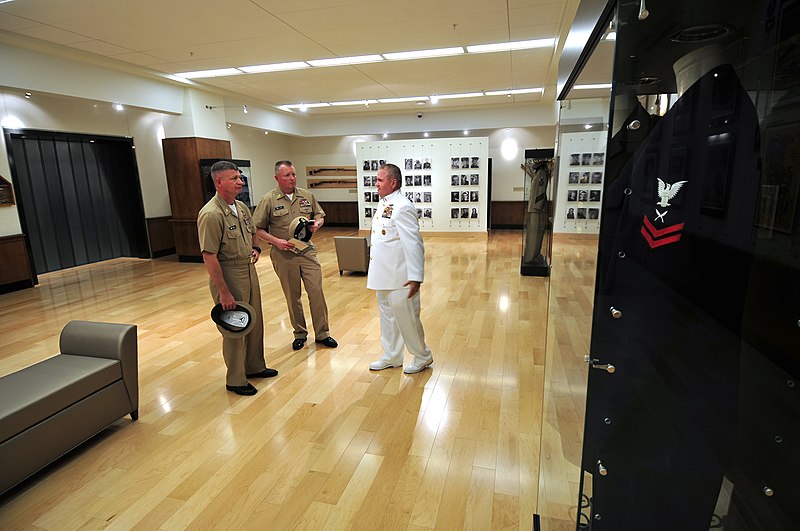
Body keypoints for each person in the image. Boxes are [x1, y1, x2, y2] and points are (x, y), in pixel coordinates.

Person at [197, 161, 277, 396]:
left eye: (240, 177)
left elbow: (253, 231)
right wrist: (224, 292)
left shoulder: (240, 207)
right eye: (234, 178)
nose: (240, 181)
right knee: (234, 326)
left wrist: (256, 248)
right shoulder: (211, 214)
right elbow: (209, 256)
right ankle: (235, 379)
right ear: (219, 182)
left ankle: (254, 366)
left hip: (248, 269)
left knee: (254, 320)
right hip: (228, 273)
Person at [253, 161, 338, 351]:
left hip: (307, 250)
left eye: (293, 174)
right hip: (283, 254)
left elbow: (319, 215)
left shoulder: (306, 195)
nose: (292, 178)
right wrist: (276, 241)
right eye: (287, 175)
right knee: (293, 296)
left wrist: (317, 224)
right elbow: (257, 229)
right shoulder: (268, 200)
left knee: (316, 292)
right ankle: (299, 333)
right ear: (277, 178)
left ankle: (323, 333)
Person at [367, 163, 433, 374]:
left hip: (400, 276)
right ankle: (392, 356)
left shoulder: (403, 206)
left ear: (392, 182)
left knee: (407, 319)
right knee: (388, 319)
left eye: (379, 180)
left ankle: (422, 355)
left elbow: (413, 243)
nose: (375, 184)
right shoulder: (385, 203)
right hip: (383, 274)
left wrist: (415, 277)